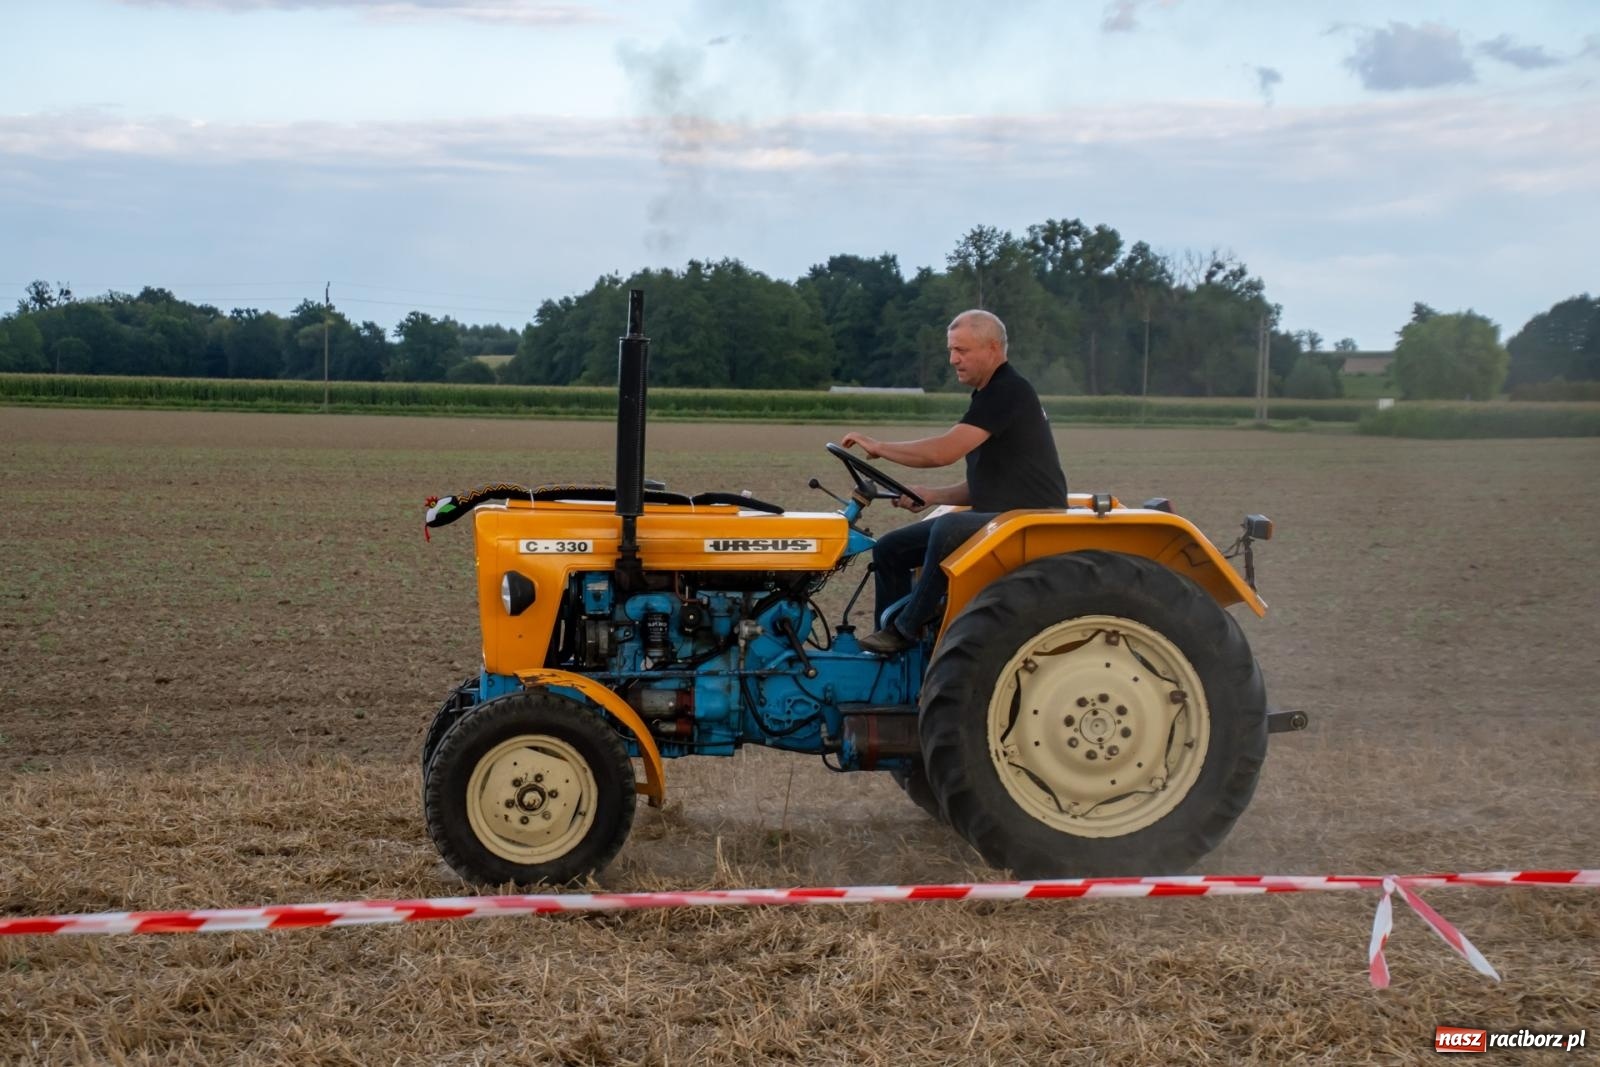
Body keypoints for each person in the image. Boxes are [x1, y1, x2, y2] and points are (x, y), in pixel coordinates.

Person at [840, 309, 1068, 654]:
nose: (953, 359)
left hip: (1029, 517)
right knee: (890, 549)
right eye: (951, 350)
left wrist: (881, 447)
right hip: (1002, 511)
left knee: (947, 529)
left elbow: (943, 452)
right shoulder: (990, 394)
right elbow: (991, 482)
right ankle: (888, 640)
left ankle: (907, 629)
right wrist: (932, 495)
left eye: (962, 350)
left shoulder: (1009, 391)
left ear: (993, 348)